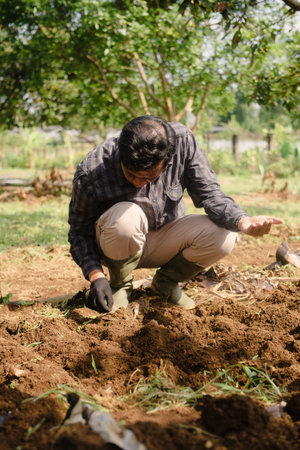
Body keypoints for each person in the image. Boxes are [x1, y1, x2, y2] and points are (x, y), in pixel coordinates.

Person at [68, 115, 282, 313]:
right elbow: (79, 233)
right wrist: (96, 277)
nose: (138, 183)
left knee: (224, 235)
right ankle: (120, 285)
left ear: (167, 160)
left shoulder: (183, 143)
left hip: (165, 237)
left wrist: (242, 221)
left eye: (149, 177)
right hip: (116, 243)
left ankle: (166, 283)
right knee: (126, 217)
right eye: (131, 175)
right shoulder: (93, 170)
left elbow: (209, 193)